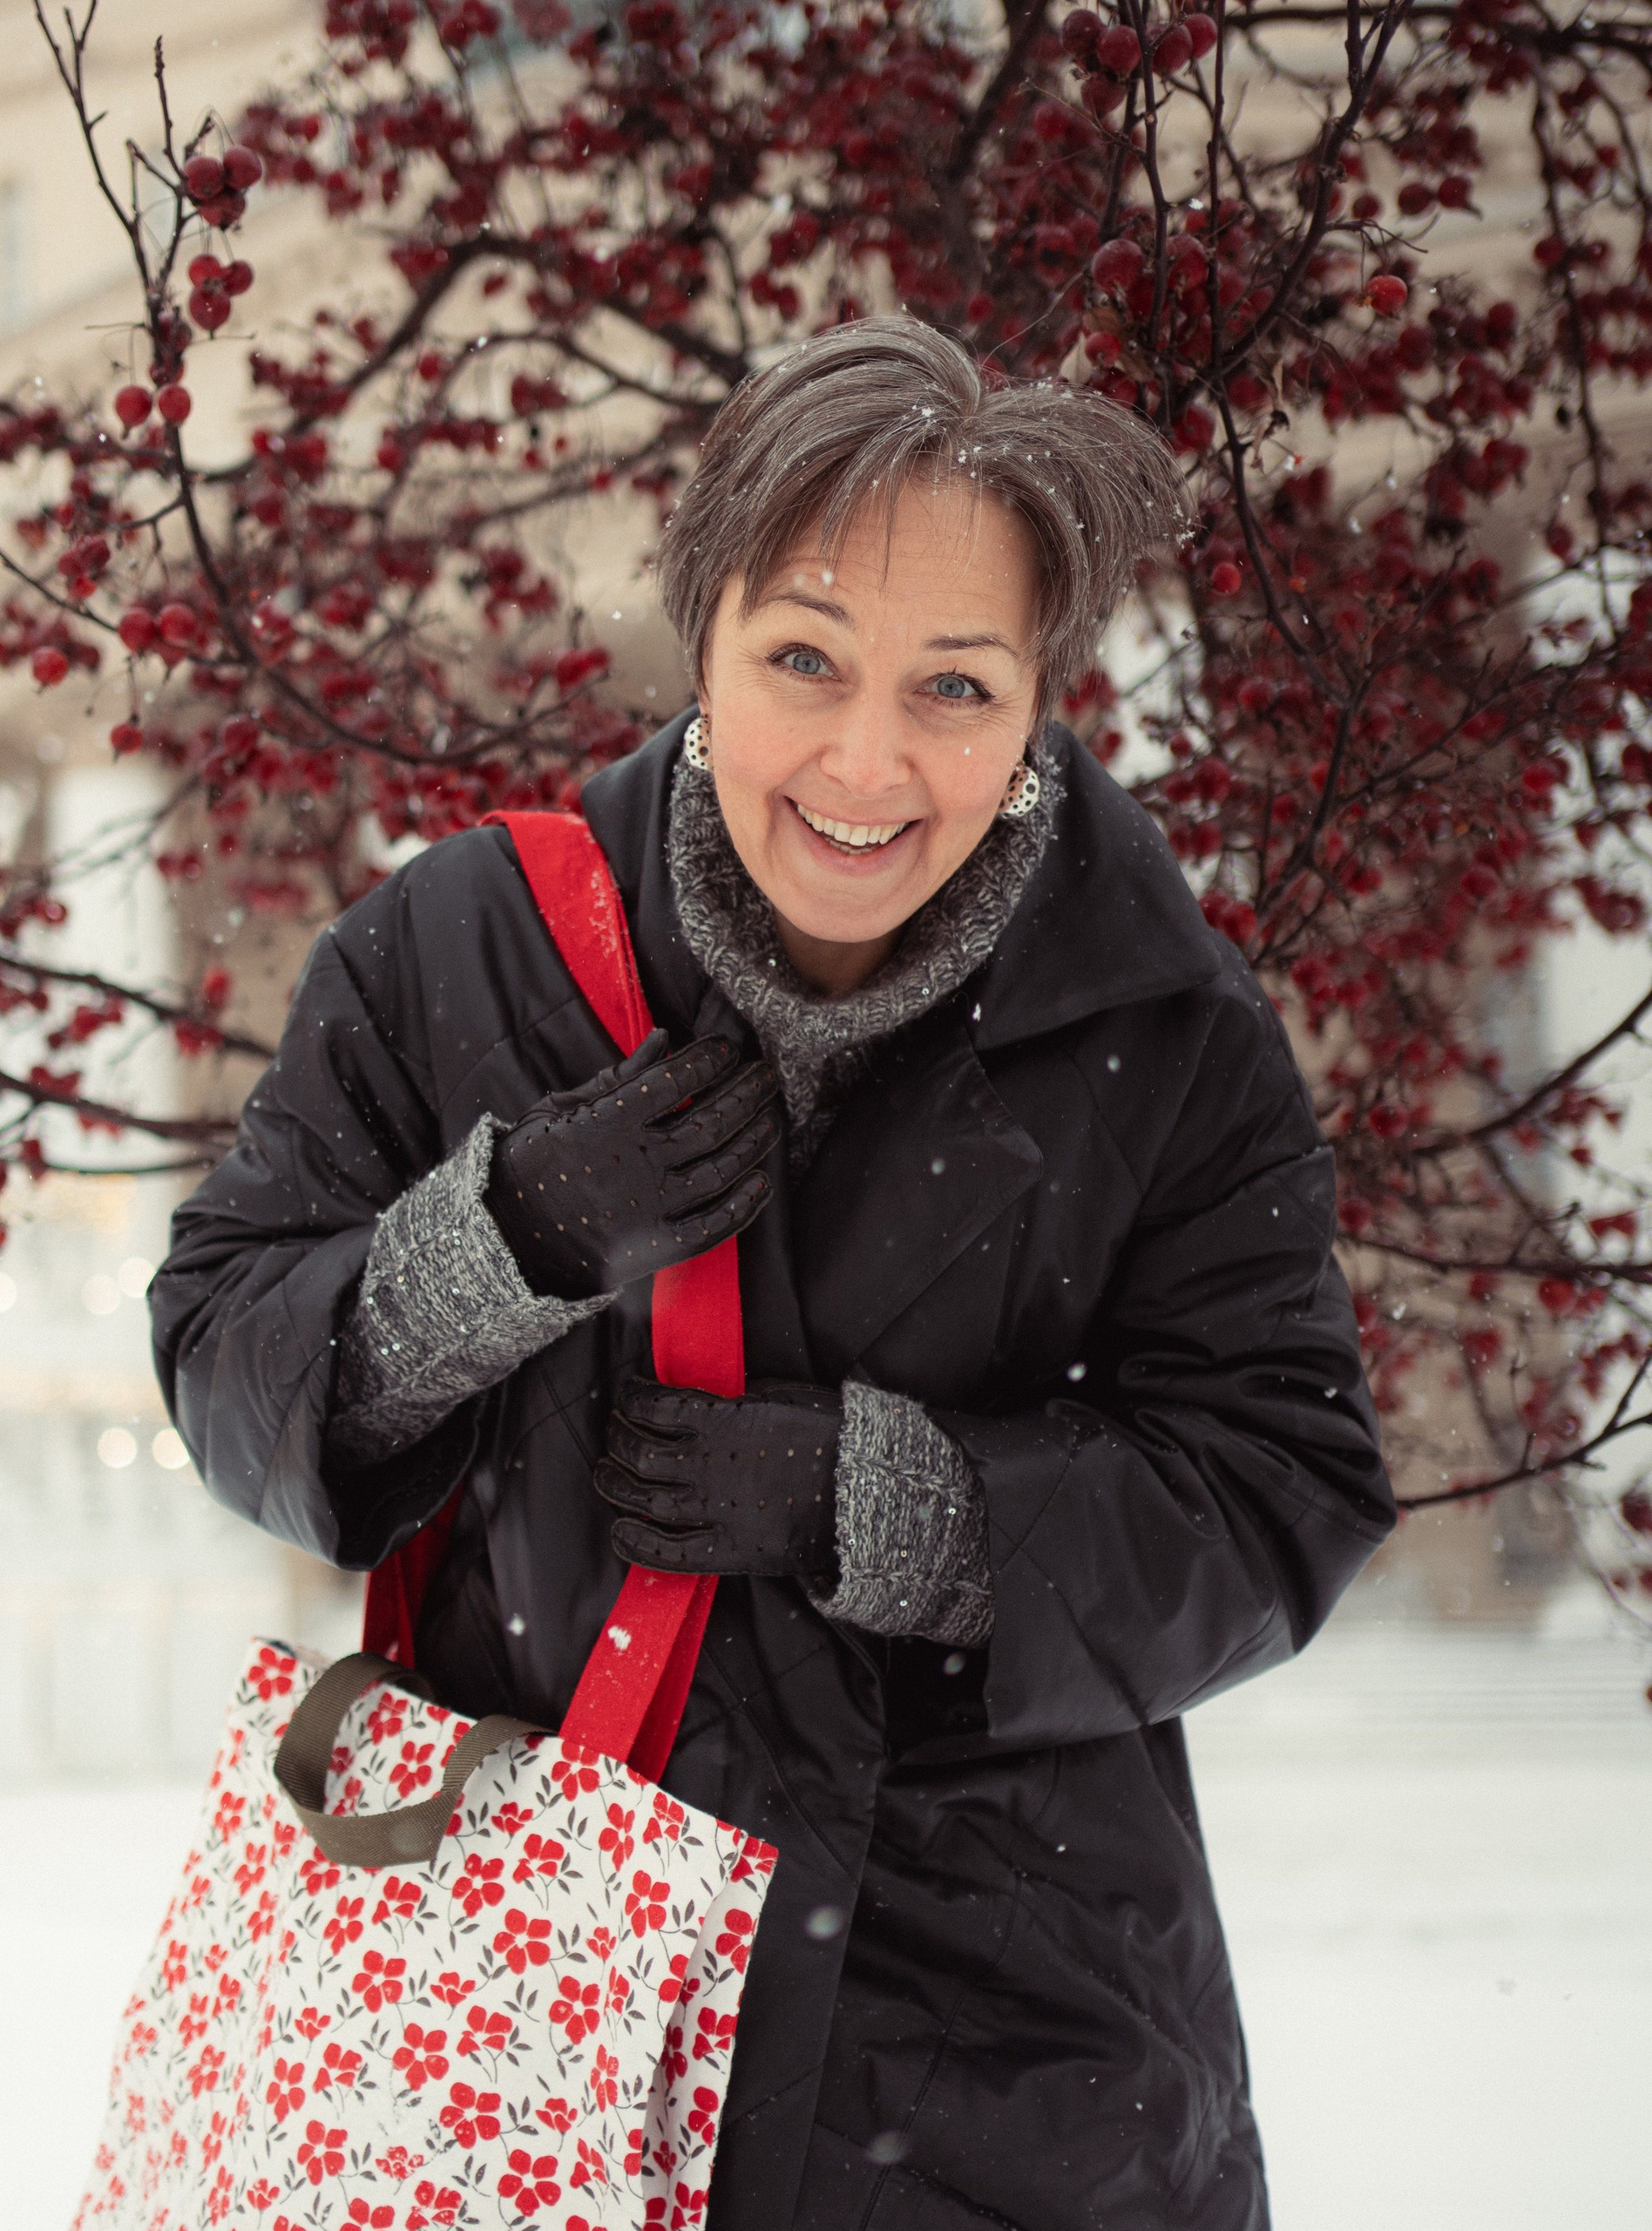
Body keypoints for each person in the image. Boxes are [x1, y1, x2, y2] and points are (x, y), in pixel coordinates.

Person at [150, 317, 1393, 2229]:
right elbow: (225, 1356)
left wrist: (898, 1506)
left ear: (1043, 695)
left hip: (998, 2069)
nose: (865, 760)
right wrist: (501, 1244)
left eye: (954, 688)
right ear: (702, 623)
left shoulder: (1173, 1030)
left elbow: (1280, 1483)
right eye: (801, 658)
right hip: (509, 2035)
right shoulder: (457, 950)